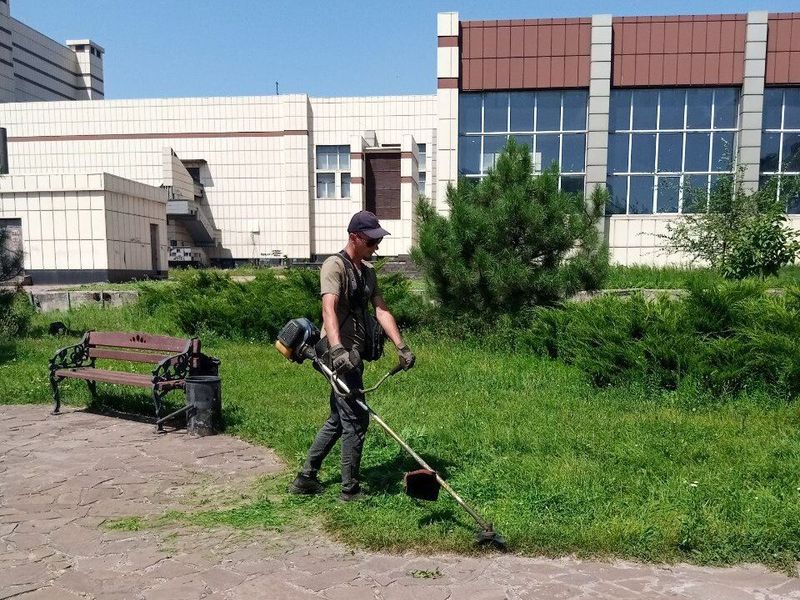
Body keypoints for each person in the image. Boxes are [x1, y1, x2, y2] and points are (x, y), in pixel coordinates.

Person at [290, 210, 416, 501]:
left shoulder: (368, 272)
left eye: (377, 241)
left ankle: (306, 478)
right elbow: (329, 309)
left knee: (339, 417)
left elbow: (381, 310)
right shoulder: (335, 266)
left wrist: (402, 346)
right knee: (356, 419)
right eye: (371, 241)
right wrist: (337, 350)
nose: (376, 246)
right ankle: (350, 489)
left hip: (354, 355)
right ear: (354, 237)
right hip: (334, 354)